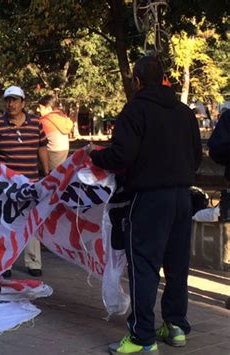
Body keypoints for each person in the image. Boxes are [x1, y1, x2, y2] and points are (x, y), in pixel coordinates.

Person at [89, 56, 202, 354]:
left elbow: (121, 156)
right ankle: (176, 325)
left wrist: (95, 156)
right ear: (164, 78)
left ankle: (142, 337)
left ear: (137, 81)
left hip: (149, 199)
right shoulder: (185, 112)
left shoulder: (135, 111)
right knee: (177, 265)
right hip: (182, 198)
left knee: (144, 266)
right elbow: (196, 156)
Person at [0, 85, 49, 277]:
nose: (11, 104)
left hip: (31, 182)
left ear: (23, 103)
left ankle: (34, 262)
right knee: (6, 224)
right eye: (8, 100)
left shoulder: (36, 124)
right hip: (6, 185)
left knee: (32, 222)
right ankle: (6, 264)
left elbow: (42, 148)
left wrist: (47, 172)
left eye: (15, 100)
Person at [37, 94, 73, 171]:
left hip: (51, 161)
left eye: (40, 108)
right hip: (62, 159)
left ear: (49, 109)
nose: (38, 110)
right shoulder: (62, 117)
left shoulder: (44, 121)